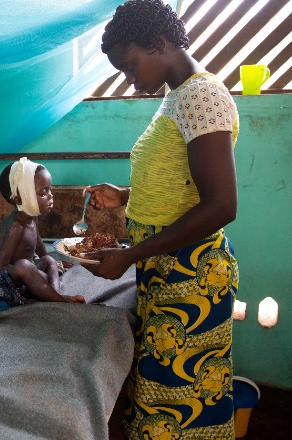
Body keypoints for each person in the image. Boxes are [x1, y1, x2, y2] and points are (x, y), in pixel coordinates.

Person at [81, 1, 239, 439]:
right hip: (167, 267)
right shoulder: (177, 97)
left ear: (159, 42)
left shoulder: (202, 96)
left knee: (178, 397)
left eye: (130, 66)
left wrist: (131, 254)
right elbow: (180, 181)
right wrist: (126, 196)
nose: (131, 80)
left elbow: (222, 204)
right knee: (163, 389)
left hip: (192, 273)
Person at [0, 157, 85, 308]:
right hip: (2, 279)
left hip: (25, 270)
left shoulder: (32, 217)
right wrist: (33, 273)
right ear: (19, 199)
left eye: (50, 189)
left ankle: (54, 296)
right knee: (24, 265)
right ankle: (61, 300)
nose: (51, 196)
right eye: (43, 193)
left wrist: (46, 262)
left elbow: (38, 243)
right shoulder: (17, 226)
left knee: (49, 260)